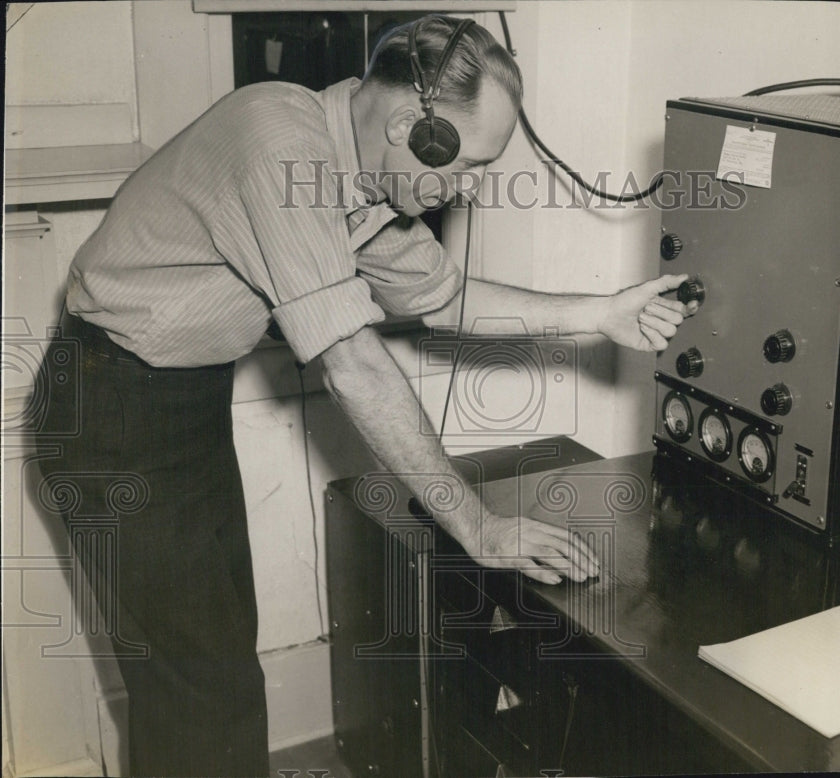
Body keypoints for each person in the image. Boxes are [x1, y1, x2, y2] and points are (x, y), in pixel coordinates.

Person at [33, 15, 695, 777]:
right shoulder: (279, 146)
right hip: (110, 406)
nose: (473, 187)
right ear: (417, 127)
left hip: (182, 401)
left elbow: (443, 299)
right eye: (469, 164)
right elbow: (353, 363)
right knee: (196, 688)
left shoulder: (366, 181)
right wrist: (477, 526)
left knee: (215, 670)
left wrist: (601, 312)